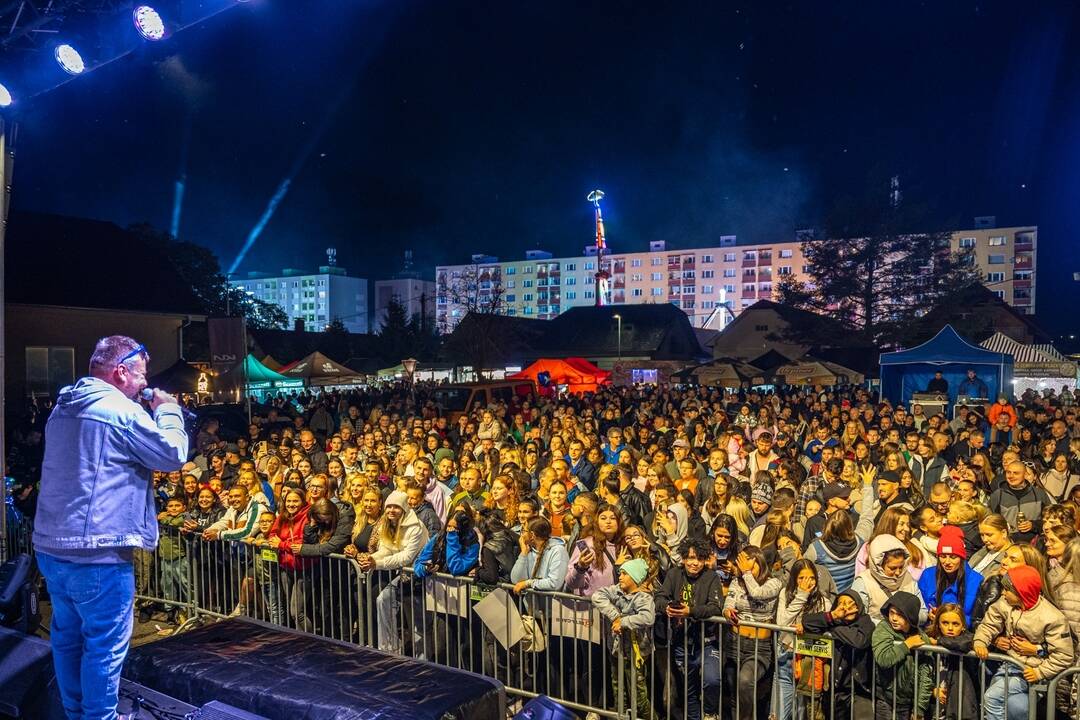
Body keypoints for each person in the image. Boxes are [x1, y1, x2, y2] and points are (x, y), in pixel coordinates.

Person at [33, 336, 188, 720]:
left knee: (67, 639)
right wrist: (168, 411)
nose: (143, 384)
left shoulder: (64, 406)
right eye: (141, 375)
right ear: (121, 372)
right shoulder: (118, 410)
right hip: (98, 551)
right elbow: (172, 454)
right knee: (103, 647)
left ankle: (75, 713)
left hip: (54, 547)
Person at [974, 565, 1075, 720]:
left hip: (1032, 672)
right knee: (1016, 706)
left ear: (1021, 592)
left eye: (1007, 590)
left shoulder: (1052, 617)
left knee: (992, 698)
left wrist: (1039, 672)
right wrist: (980, 641)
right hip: (1009, 665)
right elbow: (989, 625)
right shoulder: (1005, 604)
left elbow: (1064, 655)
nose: (1003, 593)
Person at [655, 537, 724, 720]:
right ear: (684, 558)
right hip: (681, 641)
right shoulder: (674, 574)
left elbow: (716, 607)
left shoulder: (711, 577)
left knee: (712, 680)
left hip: (707, 641)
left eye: (699, 559)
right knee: (689, 689)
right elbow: (660, 598)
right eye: (691, 558)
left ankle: (710, 713)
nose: (695, 563)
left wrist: (691, 611)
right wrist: (667, 607)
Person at [593, 558, 657, 720]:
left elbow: (648, 617)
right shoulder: (617, 591)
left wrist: (624, 622)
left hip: (635, 653)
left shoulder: (643, 598)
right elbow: (597, 595)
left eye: (624, 574)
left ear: (635, 578)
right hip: (616, 649)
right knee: (618, 691)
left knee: (638, 696)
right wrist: (615, 616)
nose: (620, 577)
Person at [871, 591, 933, 720]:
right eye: (891, 613)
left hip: (907, 701)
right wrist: (906, 645)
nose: (893, 618)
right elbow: (883, 659)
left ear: (910, 617)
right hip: (885, 698)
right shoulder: (883, 628)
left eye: (900, 615)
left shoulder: (922, 637)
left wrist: (919, 708)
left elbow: (925, 675)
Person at [916, 525, 983, 624]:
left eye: (953, 557)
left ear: (961, 558)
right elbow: (921, 607)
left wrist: (950, 620)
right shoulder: (927, 575)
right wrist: (928, 614)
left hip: (963, 635)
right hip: (932, 631)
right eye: (942, 556)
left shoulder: (977, 580)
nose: (947, 562)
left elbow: (977, 618)